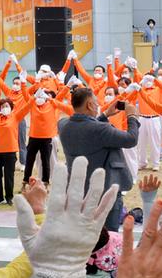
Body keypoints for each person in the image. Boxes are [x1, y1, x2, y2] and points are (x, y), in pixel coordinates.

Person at [58, 86, 140, 230]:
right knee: (108, 239)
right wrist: (132, 117)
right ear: (89, 104)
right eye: (95, 103)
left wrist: (104, 115)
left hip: (76, 192)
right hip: (104, 193)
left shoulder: (63, 125)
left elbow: (88, 128)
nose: (97, 106)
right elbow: (131, 139)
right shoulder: (101, 130)